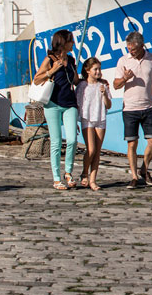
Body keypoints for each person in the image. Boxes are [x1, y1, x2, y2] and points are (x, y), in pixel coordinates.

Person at [113, 31, 152, 189]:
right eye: (128, 47)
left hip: (148, 106)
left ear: (142, 45)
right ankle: (134, 176)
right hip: (129, 108)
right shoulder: (123, 61)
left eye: (134, 48)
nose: (131, 50)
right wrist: (125, 78)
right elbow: (116, 85)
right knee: (132, 144)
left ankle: (144, 169)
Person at [33, 29, 80, 190]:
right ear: (64, 42)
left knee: (73, 139)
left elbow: (75, 81)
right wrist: (52, 71)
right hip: (52, 103)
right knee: (56, 141)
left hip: (70, 103)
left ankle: (68, 171)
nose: (73, 43)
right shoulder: (50, 59)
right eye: (71, 40)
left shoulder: (72, 60)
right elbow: (37, 79)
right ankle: (56, 178)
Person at [77, 57, 112, 191]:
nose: (98, 72)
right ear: (87, 71)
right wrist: (77, 121)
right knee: (91, 149)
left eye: (99, 69)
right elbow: (78, 104)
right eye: (95, 69)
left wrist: (104, 95)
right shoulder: (82, 86)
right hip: (87, 119)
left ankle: (93, 180)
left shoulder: (102, 85)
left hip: (100, 118)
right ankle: (84, 172)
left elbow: (108, 105)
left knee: (97, 152)